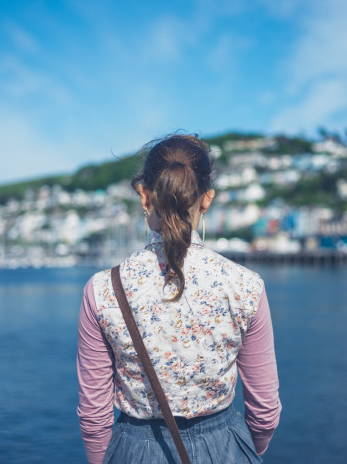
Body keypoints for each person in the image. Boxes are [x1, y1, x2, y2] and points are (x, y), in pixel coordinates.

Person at [77, 134, 281, 463]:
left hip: (136, 451)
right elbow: (265, 410)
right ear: (206, 199)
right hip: (226, 447)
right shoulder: (245, 285)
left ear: (144, 196)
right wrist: (243, 451)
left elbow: (94, 416)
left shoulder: (102, 289)